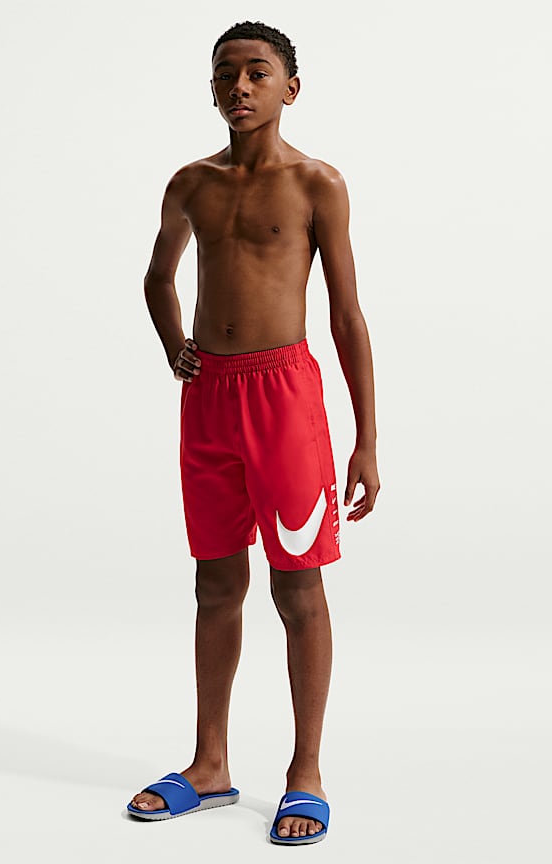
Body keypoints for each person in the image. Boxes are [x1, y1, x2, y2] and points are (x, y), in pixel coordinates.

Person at [127, 20, 379, 845]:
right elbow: (157, 277)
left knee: (296, 587)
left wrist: (366, 439)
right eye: (224, 73)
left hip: (284, 399)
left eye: (257, 72)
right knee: (214, 584)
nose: (238, 85)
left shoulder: (317, 184)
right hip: (210, 400)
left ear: (289, 89)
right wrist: (176, 346)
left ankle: (306, 772)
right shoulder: (190, 184)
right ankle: (210, 764)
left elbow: (346, 315)